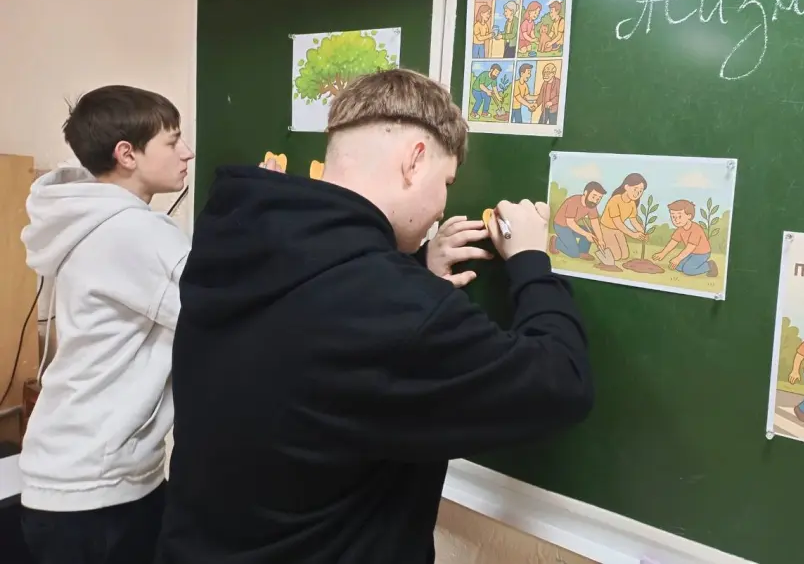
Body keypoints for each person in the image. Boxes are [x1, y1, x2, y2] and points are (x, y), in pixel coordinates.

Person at [155, 68, 594, 564]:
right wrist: (531, 260)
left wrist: (414, 269)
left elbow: (317, 332)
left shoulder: (234, 240)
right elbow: (561, 380)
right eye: (446, 181)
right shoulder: (395, 308)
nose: (442, 205)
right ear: (415, 160)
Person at [18, 85, 195, 564]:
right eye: (172, 141)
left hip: (70, 469)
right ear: (126, 154)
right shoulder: (134, 232)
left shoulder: (88, 217)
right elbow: (219, 309)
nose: (187, 152)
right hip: (96, 489)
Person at [651, 199, 718, 277]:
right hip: (692, 253)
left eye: (679, 216)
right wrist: (662, 253)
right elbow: (673, 242)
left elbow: (690, 247)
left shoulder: (696, 229)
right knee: (678, 267)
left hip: (702, 253)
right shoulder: (680, 229)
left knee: (688, 270)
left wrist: (678, 258)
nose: (676, 220)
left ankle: (709, 265)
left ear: (689, 216)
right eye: (673, 216)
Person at [548, 181, 606, 261]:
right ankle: (555, 241)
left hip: (572, 226)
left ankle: (583, 252)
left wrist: (600, 239)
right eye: (593, 197)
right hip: (561, 226)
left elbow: (595, 222)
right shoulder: (573, 201)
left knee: (591, 232)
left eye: (599, 199)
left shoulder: (592, 205)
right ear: (586, 193)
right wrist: (586, 234)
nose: (595, 201)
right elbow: (570, 222)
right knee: (574, 253)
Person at [598, 172, 648, 261]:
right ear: (626, 187)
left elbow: (634, 221)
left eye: (641, 191)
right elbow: (618, 223)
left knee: (625, 256)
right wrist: (633, 234)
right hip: (606, 228)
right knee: (616, 256)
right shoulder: (615, 200)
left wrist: (642, 232)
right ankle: (601, 247)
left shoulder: (632, 204)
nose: (638, 193)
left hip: (618, 230)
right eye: (635, 189)